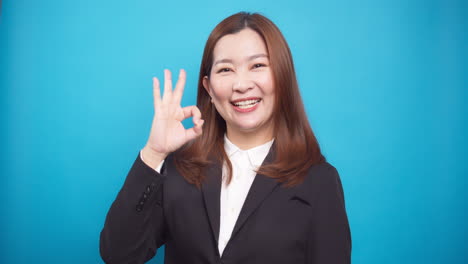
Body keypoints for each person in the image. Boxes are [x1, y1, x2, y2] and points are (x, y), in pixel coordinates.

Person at [100, 12, 351, 264]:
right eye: (226, 69)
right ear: (209, 88)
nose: (241, 84)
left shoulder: (319, 181)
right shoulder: (179, 169)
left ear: (282, 77)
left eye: (258, 66)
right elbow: (119, 254)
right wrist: (154, 152)